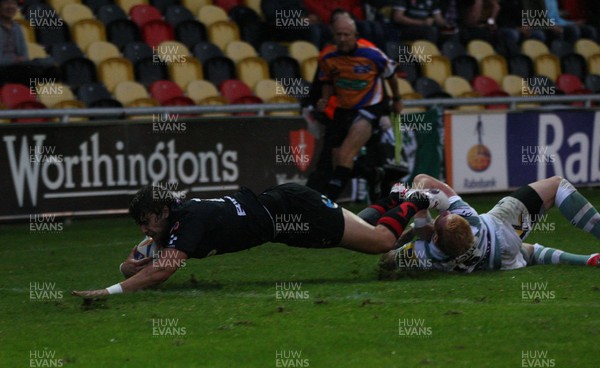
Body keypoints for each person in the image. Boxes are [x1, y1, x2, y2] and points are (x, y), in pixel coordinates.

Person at [71, 182, 449, 297]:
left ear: (164, 213)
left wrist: (107, 292)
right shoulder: (172, 222)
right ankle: (396, 196)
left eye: (146, 221)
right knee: (359, 234)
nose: (144, 229)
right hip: (282, 216)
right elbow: (140, 259)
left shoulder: (188, 222)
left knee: (381, 242)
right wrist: (126, 266)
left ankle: (415, 199)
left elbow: (160, 273)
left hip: (293, 213)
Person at [366, 174, 600, 273]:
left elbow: (387, 260)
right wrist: (418, 205)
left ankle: (586, 260)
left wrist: (414, 230)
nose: (445, 214)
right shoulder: (469, 218)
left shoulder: (427, 252)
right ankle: (591, 248)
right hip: (507, 229)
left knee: (528, 253)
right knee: (557, 185)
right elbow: (423, 181)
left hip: (497, 261)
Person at [316, 16, 402, 202]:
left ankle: (328, 203)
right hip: (344, 108)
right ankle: (372, 174)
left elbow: (392, 75)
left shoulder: (372, 54)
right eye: (338, 34)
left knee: (346, 152)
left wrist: (396, 99)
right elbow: (328, 81)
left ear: (355, 35)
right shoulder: (327, 56)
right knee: (337, 158)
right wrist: (324, 99)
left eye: (346, 34)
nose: (342, 38)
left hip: (370, 107)